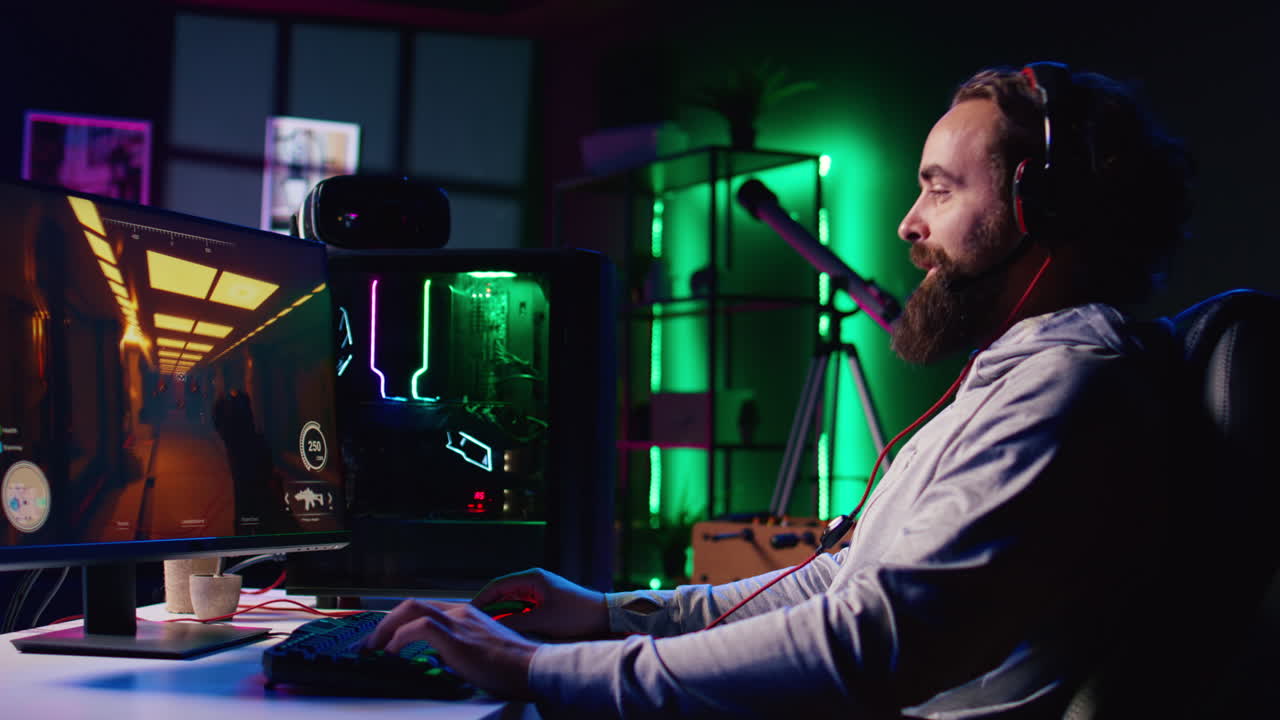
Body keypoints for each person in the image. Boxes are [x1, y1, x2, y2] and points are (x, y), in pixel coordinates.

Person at [365, 62, 1193, 718]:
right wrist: (610, 613)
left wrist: (536, 666)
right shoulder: (1015, 375)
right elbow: (834, 586)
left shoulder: (1070, 388)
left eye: (941, 189)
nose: (909, 222)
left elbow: (875, 641)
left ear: (1039, 211)